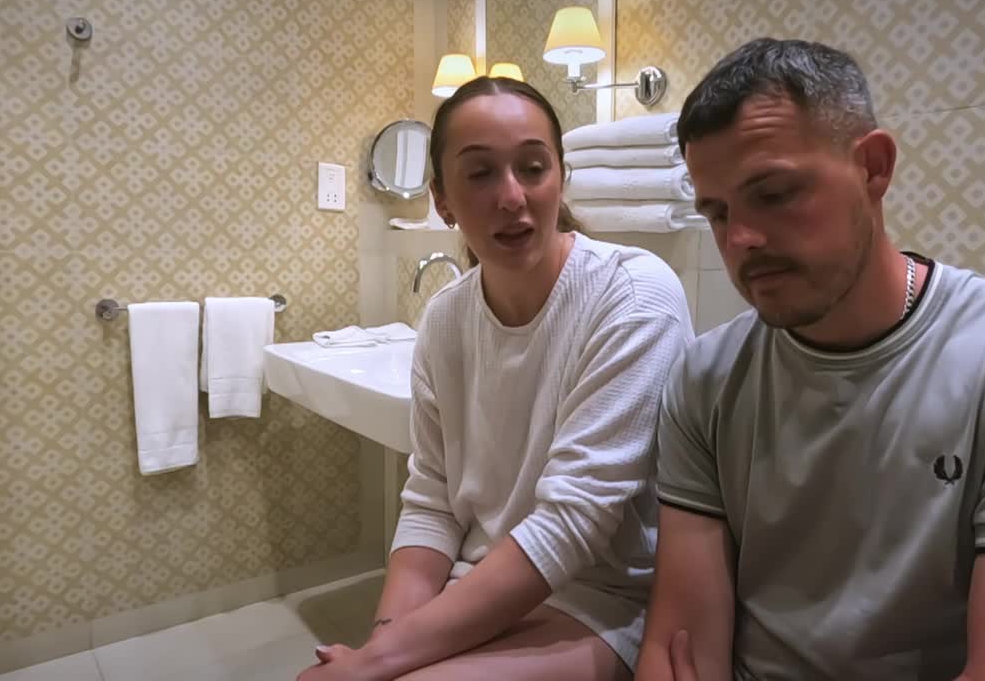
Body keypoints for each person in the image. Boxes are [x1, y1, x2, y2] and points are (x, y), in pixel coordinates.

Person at [634, 38, 985, 681]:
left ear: (873, 167)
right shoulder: (706, 379)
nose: (741, 238)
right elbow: (681, 650)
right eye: (717, 213)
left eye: (774, 193)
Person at [297, 76, 694, 681]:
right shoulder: (445, 318)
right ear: (442, 199)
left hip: (600, 603)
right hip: (479, 585)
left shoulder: (632, 297)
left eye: (533, 168)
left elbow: (572, 525)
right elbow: (432, 501)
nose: (512, 196)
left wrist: (374, 664)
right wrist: (386, 643)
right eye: (480, 173)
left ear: (561, 177)